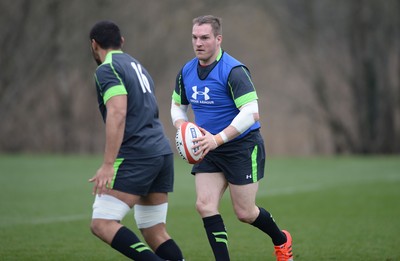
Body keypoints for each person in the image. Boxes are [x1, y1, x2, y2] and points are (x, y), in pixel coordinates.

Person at [170, 15, 293, 261]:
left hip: (241, 147)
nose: (198, 43)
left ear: (218, 39)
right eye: (194, 37)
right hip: (207, 147)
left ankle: (281, 240)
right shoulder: (186, 71)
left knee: (245, 212)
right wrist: (182, 126)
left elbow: (251, 112)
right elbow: (177, 105)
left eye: (204, 38)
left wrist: (218, 139)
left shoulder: (233, 70)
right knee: (204, 205)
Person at [88, 20, 184, 261]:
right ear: (122, 42)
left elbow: (118, 112)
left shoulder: (107, 69)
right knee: (154, 231)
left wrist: (108, 164)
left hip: (137, 154)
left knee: (102, 223)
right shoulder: (136, 65)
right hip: (160, 152)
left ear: (93, 44)